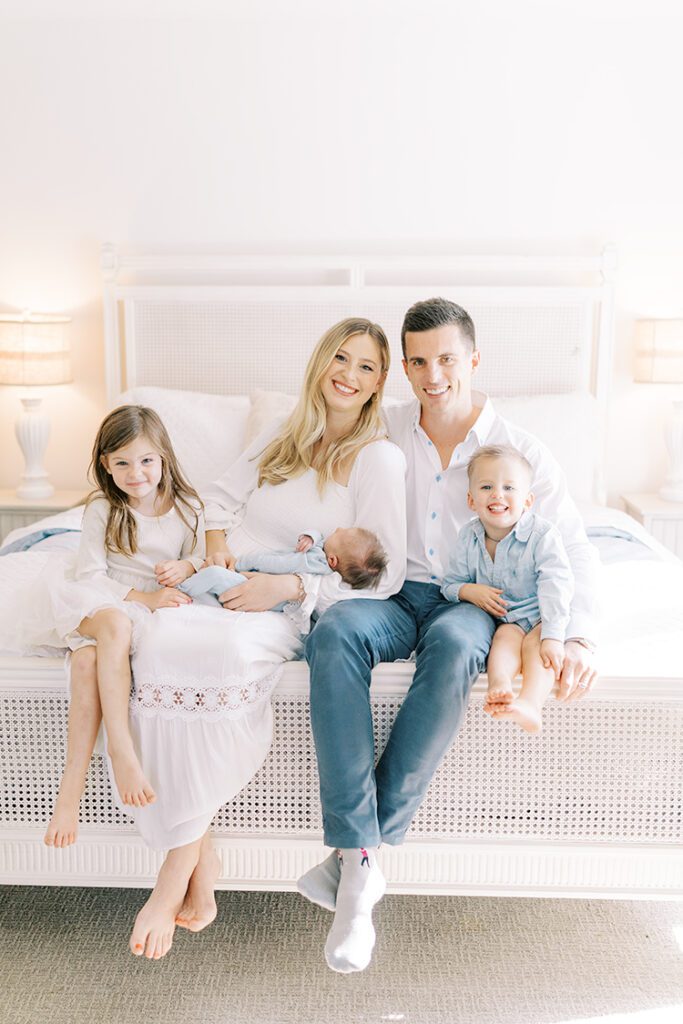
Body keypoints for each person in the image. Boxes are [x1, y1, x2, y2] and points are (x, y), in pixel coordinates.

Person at [300, 297, 599, 974]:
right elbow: (307, 466)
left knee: (461, 646)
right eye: (416, 361)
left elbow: (572, 551)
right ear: (401, 366)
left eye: (444, 359)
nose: (431, 374)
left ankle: (356, 864)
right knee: (335, 629)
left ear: (472, 359)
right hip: (391, 593)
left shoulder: (521, 451)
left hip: (472, 602)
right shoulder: (384, 427)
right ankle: (362, 859)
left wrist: (576, 638)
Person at [124, 317, 407, 961]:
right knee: (159, 641)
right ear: (319, 362)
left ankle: (174, 875)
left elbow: (384, 577)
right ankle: (202, 854)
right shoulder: (287, 433)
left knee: (219, 655)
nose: (349, 374)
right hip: (224, 582)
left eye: (366, 367)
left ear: (379, 383)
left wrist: (286, 590)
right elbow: (221, 498)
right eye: (340, 358)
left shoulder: (378, 459)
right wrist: (215, 552)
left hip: (286, 604)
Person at [15, 405, 205, 845]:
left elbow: (203, 556)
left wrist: (186, 566)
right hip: (97, 597)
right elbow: (88, 575)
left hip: (145, 605)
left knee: (86, 666)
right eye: (121, 463)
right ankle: (121, 749)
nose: (135, 473)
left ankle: (70, 790)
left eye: (145, 461)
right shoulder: (104, 505)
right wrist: (144, 598)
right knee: (116, 627)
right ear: (106, 465)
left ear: (163, 458)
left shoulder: (188, 507)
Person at [441, 444, 573, 733]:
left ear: (527, 500)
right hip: (507, 621)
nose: (497, 494)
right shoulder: (468, 537)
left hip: (541, 616)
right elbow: (449, 584)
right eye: (486, 486)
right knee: (502, 640)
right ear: (471, 500)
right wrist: (467, 591)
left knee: (537, 647)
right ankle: (500, 689)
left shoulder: (542, 535)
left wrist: (553, 635)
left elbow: (557, 584)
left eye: (509, 488)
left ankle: (531, 703)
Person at [180, 526, 388, 611]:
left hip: (255, 586)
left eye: (341, 534)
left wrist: (243, 562)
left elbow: (277, 564)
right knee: (216, 583)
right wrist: (311, 537)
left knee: (216, 576)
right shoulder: (323, 557)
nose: (339, 528)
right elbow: (319, 536)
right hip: (259, 584)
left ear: (332, 561)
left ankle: (182, 589)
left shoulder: (316, 562)